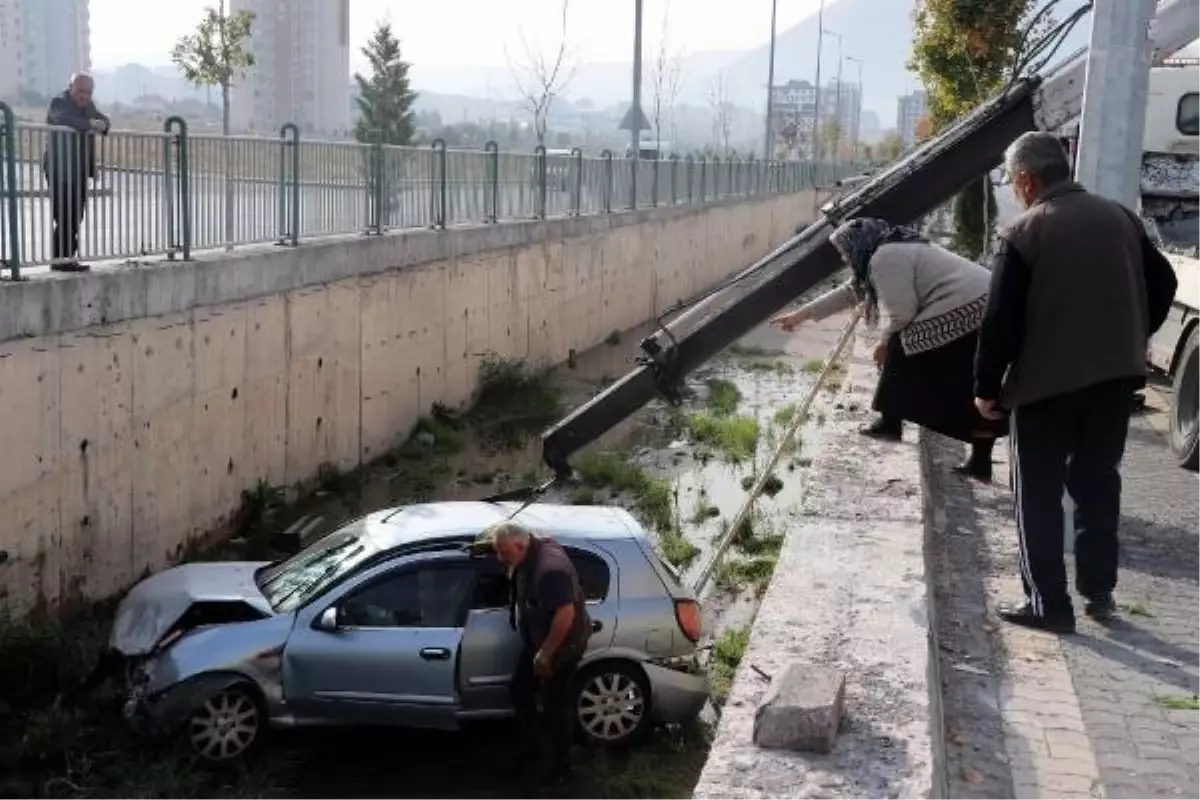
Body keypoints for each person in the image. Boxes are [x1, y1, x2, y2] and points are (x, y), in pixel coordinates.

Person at [974, 131, 1178, 634]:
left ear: (1026, 179)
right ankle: (1100, 594)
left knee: (1037, 495)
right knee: (1097, 484)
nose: (1014, 188)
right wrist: (1133, 333)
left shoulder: (1024, 231)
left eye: (1013, 180)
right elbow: (1166, 283)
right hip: (1114, 380)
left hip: (1045, 386)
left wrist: (985, 385)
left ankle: (1048, 604)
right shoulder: (1121, 218)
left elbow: (1000, 319)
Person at [770, 217, 1007, 481]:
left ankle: (890, 422)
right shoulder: (887, 250)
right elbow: (851, 293)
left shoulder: (885, 258)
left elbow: (900, 315)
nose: (844, 259)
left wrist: (883, 345)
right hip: (983, 306)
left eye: (844, 252)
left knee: (900, 348)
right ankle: (980, 462)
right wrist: (800, 316)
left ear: (858, 245)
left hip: (968, 310)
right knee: (967, 387)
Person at [488, 521, 592, 786]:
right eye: (498, 552)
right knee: (520, 690)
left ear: (522, 546)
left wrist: (545, 654)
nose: (501, 559)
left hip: (559, 647)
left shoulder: (549, 571)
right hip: (537, 641)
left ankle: (562, 768)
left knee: (556, 707)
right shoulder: (532, 547)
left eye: (504, 553)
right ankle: (532, 747)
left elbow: (565, 614)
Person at [43, 72, 110, 272]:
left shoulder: (88, 107)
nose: (84, 96)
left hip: (79, 169)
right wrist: (89, 124)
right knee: (63, 214)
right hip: (59, 168)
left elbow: (103, 121)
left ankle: (67, 258)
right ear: (70, 87)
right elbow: (62, 119)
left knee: (76, 215)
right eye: (80, 91)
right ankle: (60, 260)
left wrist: (102, 124)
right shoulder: (59, 102)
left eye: (88, 93)